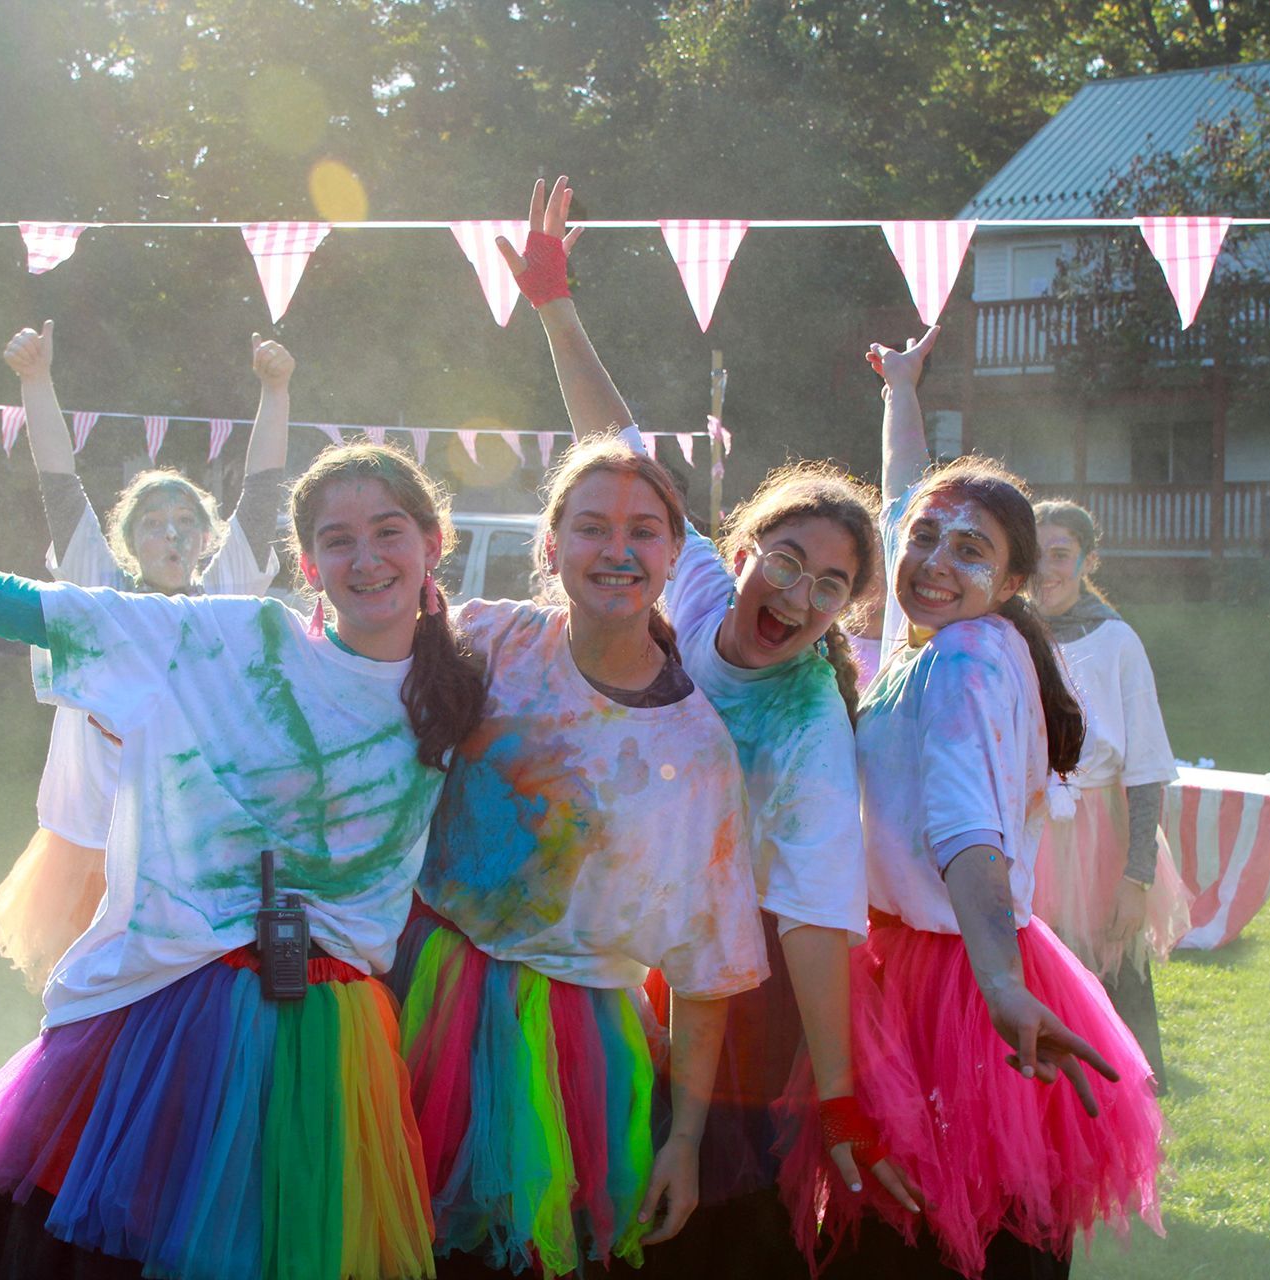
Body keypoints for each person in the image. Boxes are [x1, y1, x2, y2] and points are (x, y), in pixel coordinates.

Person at [0, 442, 486, 1280]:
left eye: (388, 532)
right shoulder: (227, 637)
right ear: (309, 565)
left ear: (434, 543)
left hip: (332, 1039)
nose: (366, 558)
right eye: (338, 539)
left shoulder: (462, 680)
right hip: (175, 1010)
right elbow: (42, 610)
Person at [494, 176, 920, 1278]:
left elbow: (820, 916)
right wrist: (554, 304)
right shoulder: (682, 592)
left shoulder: (808, 722)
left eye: (831, 584)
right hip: (617, 940)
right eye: (786, 559)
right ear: (736, 555)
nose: (799, 591)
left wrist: (836, 1098)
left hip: (741, 992)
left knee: (702, 1228)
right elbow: (616, 444)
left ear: (845, 612)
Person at [778, 328, 1163, 1279]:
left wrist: (996, 982)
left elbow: (968, 832)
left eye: (971, 550)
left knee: (948, 1238)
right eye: (923, 543)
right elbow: (910, 493)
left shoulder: (961, 659)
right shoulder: (941, 640)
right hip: (929, 963)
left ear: (1016, 580)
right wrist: (901, 394)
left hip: (957, 980)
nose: (936, 560)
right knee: (960, 1228)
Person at [387, 427, 768, 1278]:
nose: (618, 549)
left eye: (644, 529)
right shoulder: (488, 642)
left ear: (674, 551)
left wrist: (689, 1139)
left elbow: (705, 968)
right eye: (593, 526)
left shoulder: (697, 748)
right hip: (416, 988)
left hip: (567, 1047)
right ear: (552, 544)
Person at [0, 321, 293, 990]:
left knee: (172, 1007)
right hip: (91, 846)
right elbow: (58, 484)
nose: (172, 533)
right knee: (80, 1009)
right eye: (153, 523)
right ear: (127, 544)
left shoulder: (223, 599)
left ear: (208, 540)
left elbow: (264, 491)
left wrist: (277, 389)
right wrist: (36, 382)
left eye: (187, 522)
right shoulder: (98, 594)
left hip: (184, 849)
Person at [1028, 500, 1189, 1087]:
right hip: (1025, 827)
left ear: (1089, 560)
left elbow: (1146, 769)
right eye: (1035, 554)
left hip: (1097, 838)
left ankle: (1128, 1113)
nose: (1046, 569)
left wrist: (1136, 878)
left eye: (1061, 555)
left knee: (1111, 977)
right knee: (1037, 980)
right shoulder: (1006, 633)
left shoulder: (1117, 642)